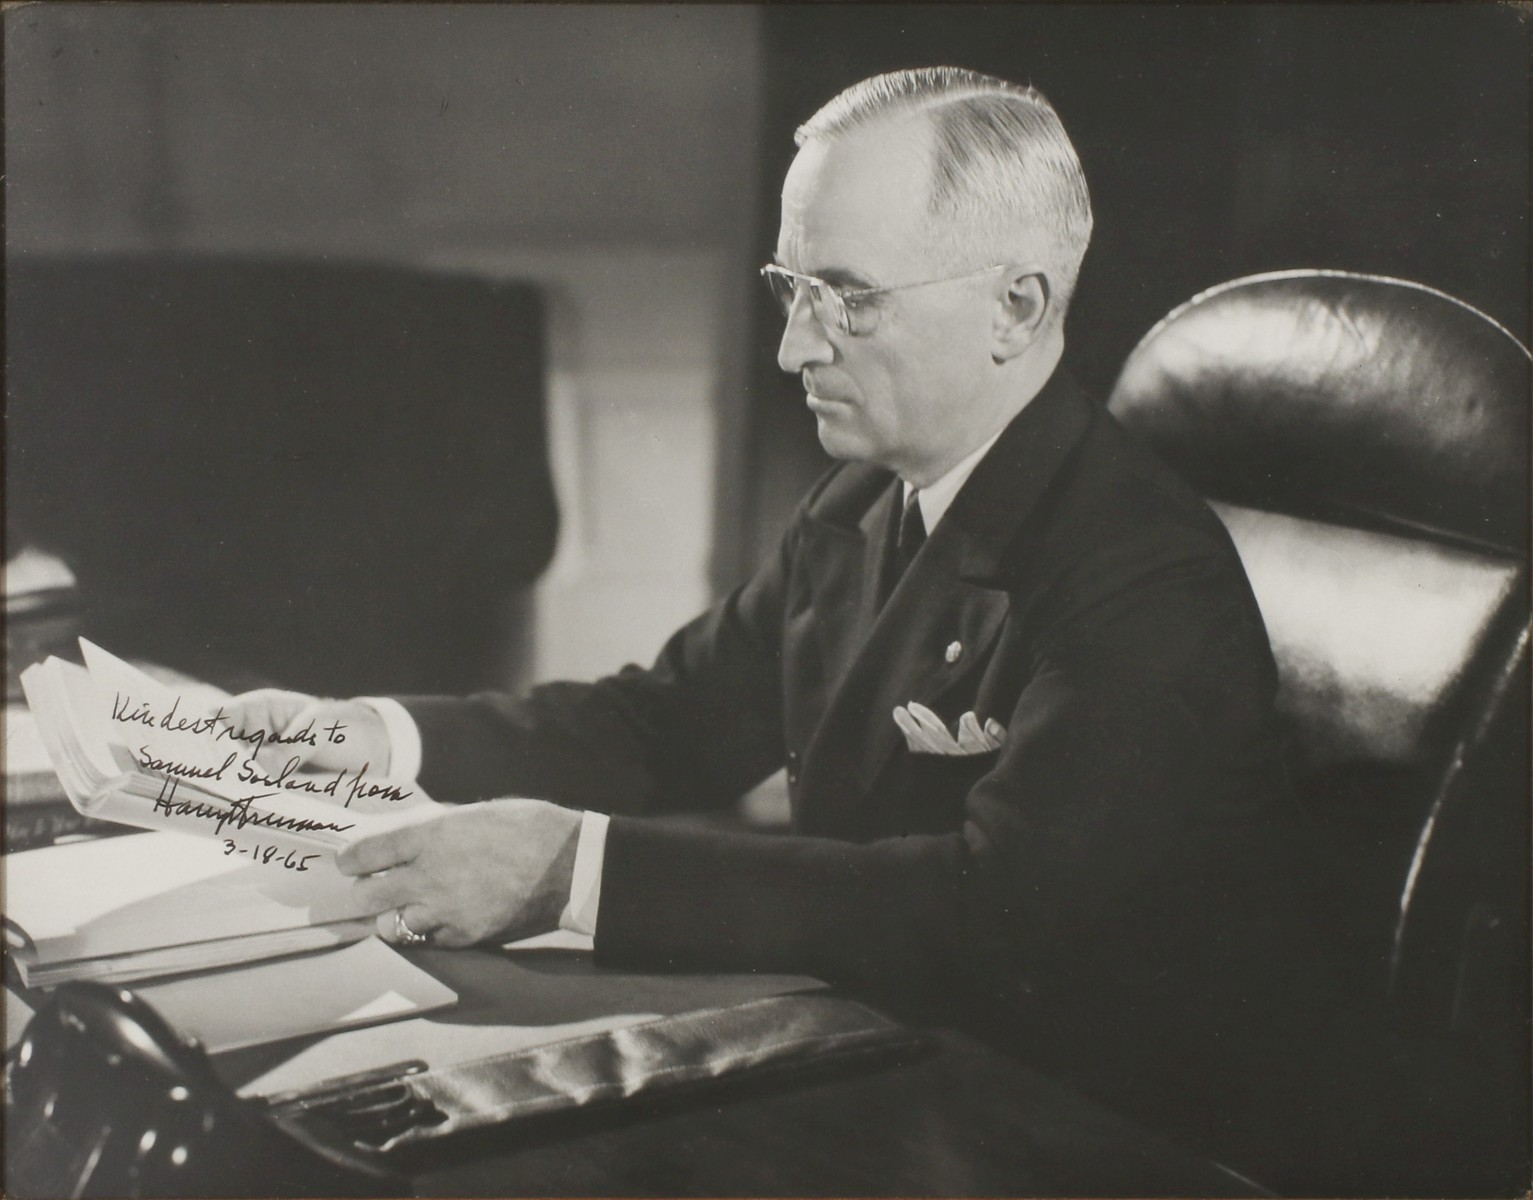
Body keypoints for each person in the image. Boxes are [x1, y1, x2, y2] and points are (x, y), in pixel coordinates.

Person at [227, 67, 1328, 1173]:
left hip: (1072, 1133)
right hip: (882, 1044)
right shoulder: (860, 502)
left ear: (1018, 307)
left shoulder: (1144, 575)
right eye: (789, 288)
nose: (794, 349)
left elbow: (994, 914)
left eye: (847, 298)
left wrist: (572, 872)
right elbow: (668, 722)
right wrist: (376, 736)